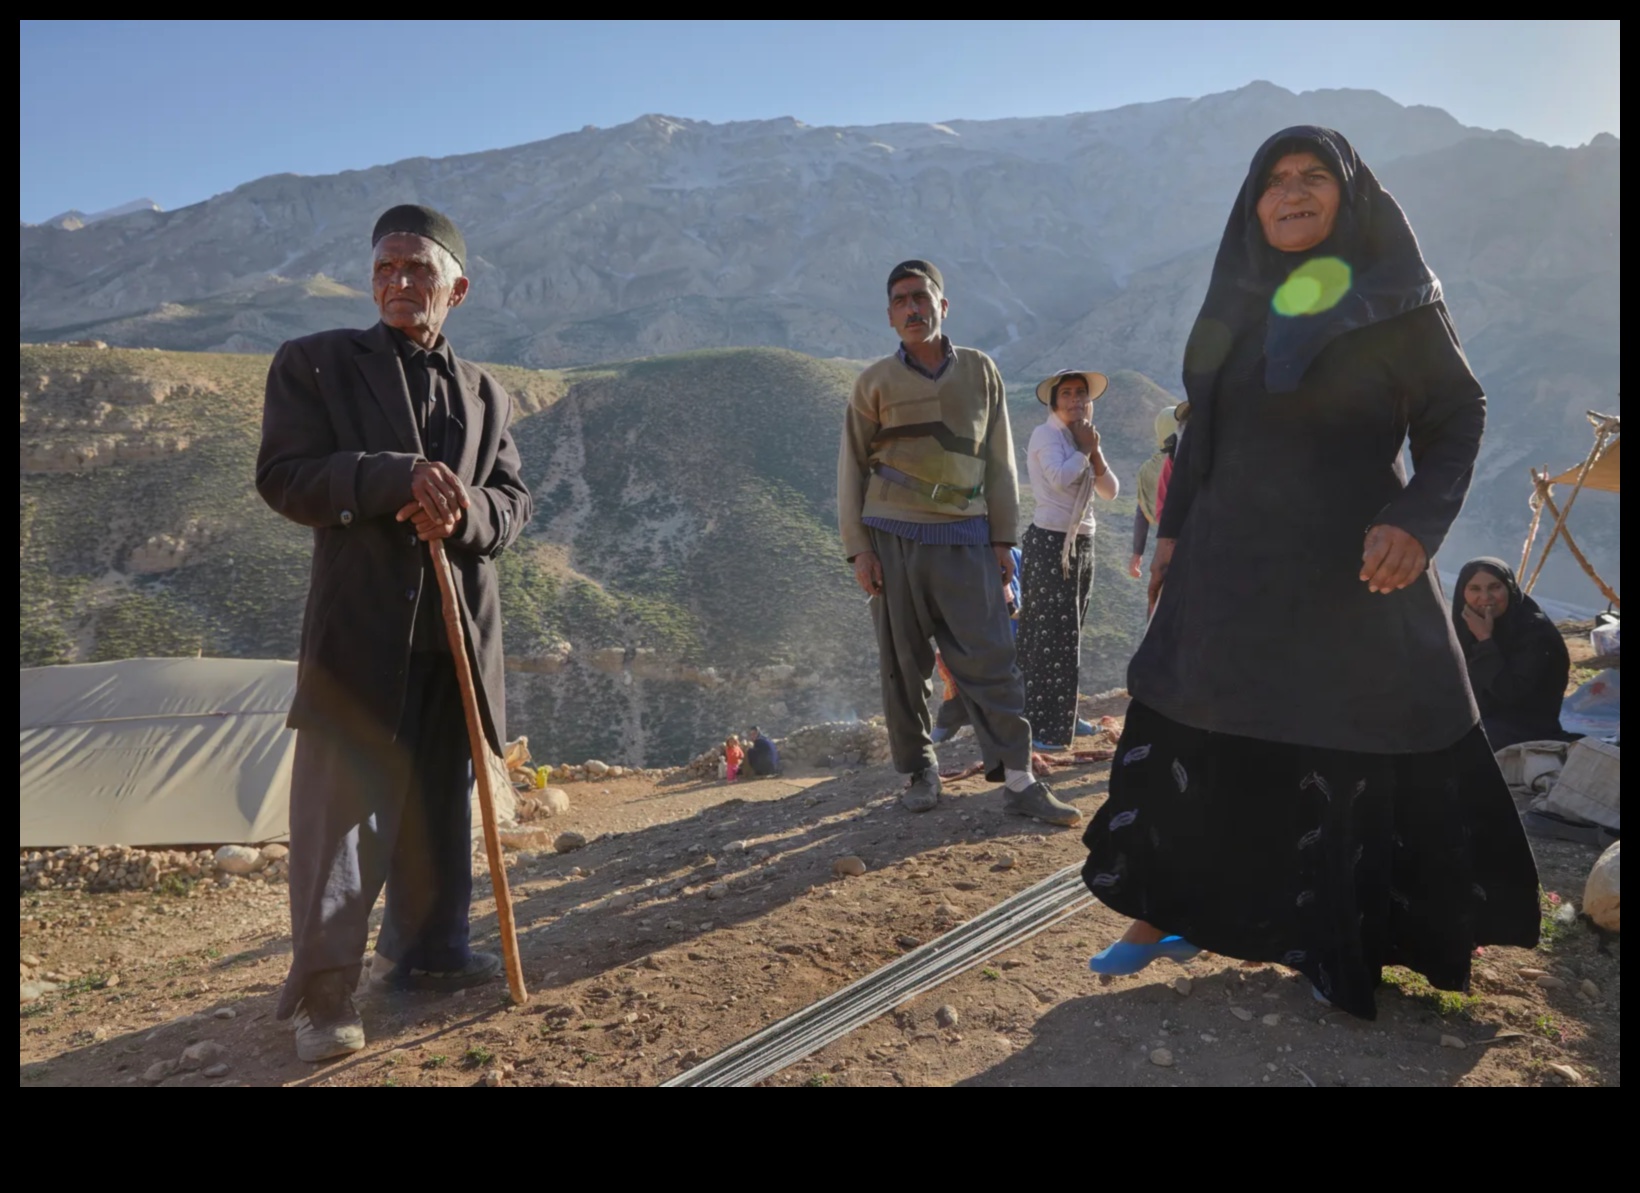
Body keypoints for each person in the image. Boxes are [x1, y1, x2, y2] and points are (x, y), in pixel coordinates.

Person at [1080, 128, 1540, 1020]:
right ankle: (1162, 913)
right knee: (1194, 727)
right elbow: (1202, 429)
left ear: (1350, 195)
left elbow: (1459, 411)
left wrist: (1415, 522)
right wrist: (1172, 533)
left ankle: (1335, 938)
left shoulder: (1396, 298)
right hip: (1228, 557)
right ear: (1252, 199)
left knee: (1340, 742)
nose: (1290, 194)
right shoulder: (1238, 292)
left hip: (1349, 563)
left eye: (1312, 178)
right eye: (1274, 180)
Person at [256, 204, 532, 1061]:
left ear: (458, 285)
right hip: (359, 637)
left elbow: (515, 504)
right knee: (338, 820)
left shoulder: (488, 392)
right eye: (385, 268)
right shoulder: (314, 364)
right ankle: (326, 992)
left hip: (454, 639)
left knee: (437, 801)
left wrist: (467, 511)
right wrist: (389, 479)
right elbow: (285, 478)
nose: (399, 283)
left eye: (418, 269)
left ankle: (432, 951)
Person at [838, 259, 1079, 826]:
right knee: (903, 665)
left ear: (943, 306)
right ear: (890, 315)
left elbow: (999, 460)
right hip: (892, 538)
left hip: (967, 537)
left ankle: (1019, 780)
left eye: (921, 297)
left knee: (993, 657)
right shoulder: (873, 382)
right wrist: (859, 549)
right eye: (900, 301)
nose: (912, 308)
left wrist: (1002, 539)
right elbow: (850, 467)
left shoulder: (980, 370)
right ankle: (922, 772)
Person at [1018, 370, 1119, 749]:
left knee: (1070, 633)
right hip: (1051, 545)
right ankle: (1043, 728)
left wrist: (1092, 449)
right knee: (1050, 638)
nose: (1075, 400)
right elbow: (1060, 479)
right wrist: (1083, 449)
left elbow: (1110, 490)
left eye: (1081, 393)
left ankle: (1065, 716)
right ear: (1054, 401)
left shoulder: (1084, 436)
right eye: (1067, 394)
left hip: (1082, 543)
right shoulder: (1045, 437)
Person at [1453, 558, 1575, 749]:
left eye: (1494, 587)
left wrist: (1485, 640)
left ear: (1508, 588)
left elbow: (1510, 694)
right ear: (1463, 593)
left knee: (1467, 743)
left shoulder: (1535, 632)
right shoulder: (1464, 625)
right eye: (1475, 589)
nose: (1485, 598)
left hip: (1526, 724)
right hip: (1480, 717)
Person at [932, 547, 1021, 743]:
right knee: (959, 699)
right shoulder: (960, 557)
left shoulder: (1013, 557)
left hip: (1006, 645)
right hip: (970, 644)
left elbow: (1013, 605)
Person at [1129, 403, 1190, 580]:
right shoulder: (1184, 461)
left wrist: (1137, 554)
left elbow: (1141, 512)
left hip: (1165, 546)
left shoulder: (1148, 468)